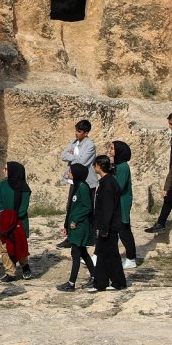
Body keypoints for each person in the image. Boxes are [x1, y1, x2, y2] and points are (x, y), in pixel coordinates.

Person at [57, 120, 98, 249]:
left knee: (87, 208)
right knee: (71, 207)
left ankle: (90, 236)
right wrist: (75, 157)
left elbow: (82, 162)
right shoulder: (74, 143)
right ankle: (70, 236)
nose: (76, 134)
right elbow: (63, 155)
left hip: (87, 182)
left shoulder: (90, 146)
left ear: (86, 133)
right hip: (74, 180)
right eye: (76, 130)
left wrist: (73, 156)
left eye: (79, 132)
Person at [90, 155, 128, 292]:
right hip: (108, 226)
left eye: (95, 165)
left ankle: (105, 283)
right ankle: (107, 282)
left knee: (107, 255)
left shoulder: (108, 184)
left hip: (109, 226)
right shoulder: (108, 181)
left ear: (99, 166)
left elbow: (107, 208)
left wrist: (104, 228)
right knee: (107, 254)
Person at [56, 163, 96, 292]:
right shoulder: (76, 186)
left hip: (80, 226)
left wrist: (76, 220)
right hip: (73, 226)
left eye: (70, 171)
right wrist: (66, 225)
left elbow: (87, 207)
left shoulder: (83, 187)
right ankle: (95, 276)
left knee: (76, 254)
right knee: (82, 252)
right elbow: (72, 209)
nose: (68, 173)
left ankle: (71, 283)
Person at [0, 162, 33, 282]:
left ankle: (25, 266)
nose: (3, 171)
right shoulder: (2, 185)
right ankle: (10, 273)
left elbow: (23, 207)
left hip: (18, 222)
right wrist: (3, 214)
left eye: (6, 168)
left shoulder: (24, 188)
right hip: (4, 221)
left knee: (19, 245)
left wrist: (13, 218)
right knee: (4, 247)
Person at [111, 141, 138, 268]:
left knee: (124, 230)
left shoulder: (123, 167)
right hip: (117, 203)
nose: (110, 150)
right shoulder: (117, 165)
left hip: (122, 202)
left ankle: (131, 258)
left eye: (112, 148)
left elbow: (119, 186)